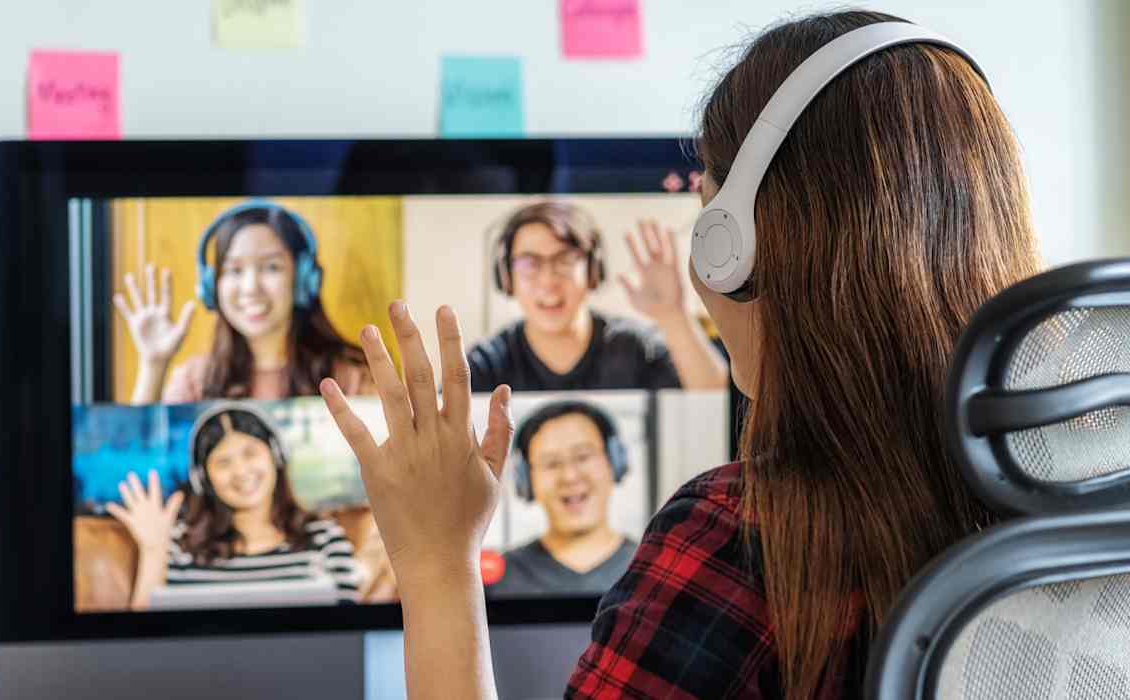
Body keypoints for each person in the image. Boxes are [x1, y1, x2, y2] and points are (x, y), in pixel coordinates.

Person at [317, 10, 1042, 698]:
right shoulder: (1075, 488)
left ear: (735, 251)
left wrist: (439, 561)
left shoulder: (741, 543)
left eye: (706, 218)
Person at [106, 403, 365, 609]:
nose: (241, 471)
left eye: (250, 453)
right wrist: (153, 550)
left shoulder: (324, 538)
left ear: (276, 455)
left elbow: (349, 629)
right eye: (223, 462)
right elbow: (146, 638)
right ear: (204, 478)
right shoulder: (178, 545)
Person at [113, 200, 370, 404]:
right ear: (212, 287)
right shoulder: (194, 382)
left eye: (271, 267)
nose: (250, 288)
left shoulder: (352, 378)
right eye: (234, 270)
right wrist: (154, 365)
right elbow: (138, 462)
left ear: (304, 279)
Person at [466, 200, 729, 392]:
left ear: (593, 269)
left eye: (565, 260)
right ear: (506, 275)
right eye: (530, 264)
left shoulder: (634, 347)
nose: (548, 281)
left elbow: (712, 392)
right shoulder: (488, 363)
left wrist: (674, 315)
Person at [488, 400, 636, 597]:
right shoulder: (499, 579)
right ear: (526, 480)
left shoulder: (658, 567)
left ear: (614, 462)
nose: (569, 476)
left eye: (583, 456)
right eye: (551, 463)